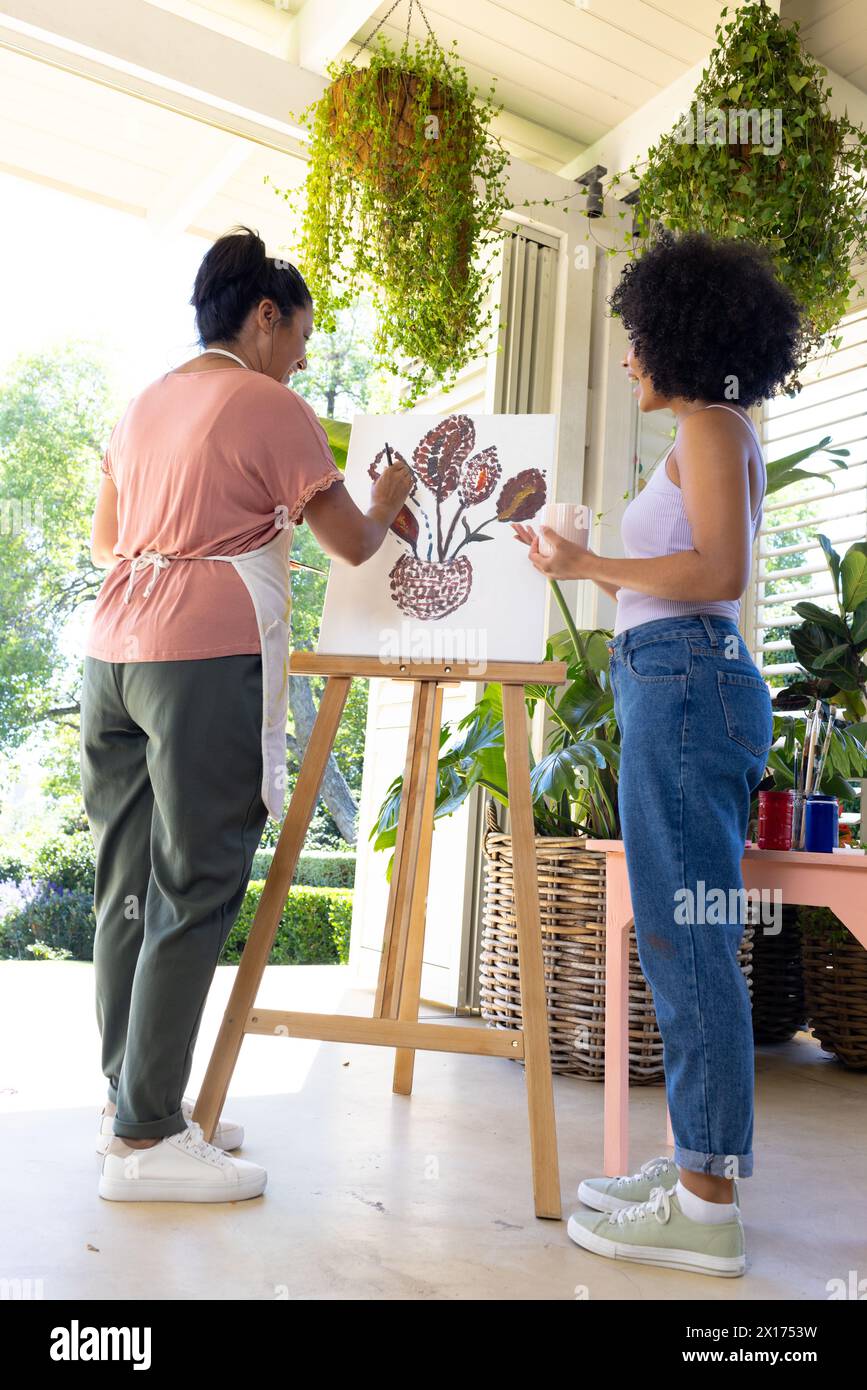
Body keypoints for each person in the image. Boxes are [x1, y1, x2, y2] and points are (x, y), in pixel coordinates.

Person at [82, 225, 412, 1203]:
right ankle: (147, 1141)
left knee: (128, 887)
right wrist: (388, 496)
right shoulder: (270, 403)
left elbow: (109, 540)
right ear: (263, 315)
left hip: (112, 655)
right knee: (197, 881)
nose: (305, 355)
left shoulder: (145, 403)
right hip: (198, 653)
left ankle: (129, 1102)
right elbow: (351, 542)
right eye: (301, 333)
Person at [514, 230, 804, 1276]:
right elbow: (671, 574)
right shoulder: (702, 430)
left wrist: (590, 554)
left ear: (681, 334)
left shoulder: (713, 425)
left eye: (636, 337)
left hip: (687, 683)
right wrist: (579, 562)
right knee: (681, 938)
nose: (629, 356)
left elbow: (717, 567)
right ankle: (692, 1167)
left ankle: (707, 1204)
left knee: (689, 939)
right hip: (671, 679)